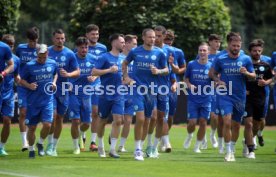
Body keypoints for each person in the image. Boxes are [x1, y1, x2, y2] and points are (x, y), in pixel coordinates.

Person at [209, 32, 256, 162]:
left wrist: (246, 72)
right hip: (224, 94)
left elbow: (254, 76)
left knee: (236, 125)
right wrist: (217, 81)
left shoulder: (246, 59)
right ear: (229, 45)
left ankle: (232, 147)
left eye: (238, 46)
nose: (236, 48)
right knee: (227, 121)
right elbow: (211, 73)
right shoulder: (220, 58)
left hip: (240, 96)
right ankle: (228, 152)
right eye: (234, 45)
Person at [122, 28, 168, 161]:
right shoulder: (135, 51)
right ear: (143, 37)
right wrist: (126, 77)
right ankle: (137, 150)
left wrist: (158, 71)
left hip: (152, 90)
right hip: (137, 89)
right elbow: (124, 63)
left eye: (154, 37)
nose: (152, 39)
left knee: (148, 120)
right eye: (149, 37)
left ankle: (142, 147)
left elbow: (166, 70)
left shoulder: (159, 53)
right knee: (141, 119)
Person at [45, 29, 80, 156]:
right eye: (57, 38)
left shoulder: (70, 54)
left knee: (60, 118)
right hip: (50, 88)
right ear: (53, 39)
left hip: (64, 89)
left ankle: (54, 146)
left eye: (62, 38)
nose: (60, 41)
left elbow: (78, 71)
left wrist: (69, 74)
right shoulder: (47, 52)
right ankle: (49, 145)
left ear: (65, 39)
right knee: (53, 116)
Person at [20, 44, 57, 158]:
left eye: (44, 57)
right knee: (32, 128)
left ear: (47, 54)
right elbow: (21, 80)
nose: (41, 59)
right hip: (33, 102)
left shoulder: (52, 63)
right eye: (39, 57)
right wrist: (29, 85)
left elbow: (55, 74)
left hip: (47, 100)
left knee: (47, 125)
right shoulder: (29, 66)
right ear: (36, 54)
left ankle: (40, 143)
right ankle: (31, 149)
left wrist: (54, 83)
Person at [92, 33, 125, 158]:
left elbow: (124, 75)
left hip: (119, 94)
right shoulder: (104, 57)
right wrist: (109, 70)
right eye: (121, 42)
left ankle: (112, 149)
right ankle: (100, 146)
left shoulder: (123, 59)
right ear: (114, 42)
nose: (123, 44)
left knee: (118, 120)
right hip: (105, 94)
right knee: (102, 121)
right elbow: (94, 71)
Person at [242, 39, 273, 159]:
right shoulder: (245, 65)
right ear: (250, 51)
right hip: (247, 98)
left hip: (260, 98)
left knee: (256, 125)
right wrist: (243, 90)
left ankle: (247, 140)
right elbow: (239, 80)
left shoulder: (265, 66)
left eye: (259, 50)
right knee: (248, 124)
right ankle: (250, 150)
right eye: (255, 51)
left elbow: (271, 78)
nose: (257, 52)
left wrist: (266, 82)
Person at [68, 37, 97, 154]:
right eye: (82, 47)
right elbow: (64, 73)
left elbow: (98, 72)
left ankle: (80, 133)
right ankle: (76, 146)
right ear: (77, 48)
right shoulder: (72, 58)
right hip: (73, 93)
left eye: (86, 47)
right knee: (75, 120)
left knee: (86, 123)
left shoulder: (93, 59)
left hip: (87, 94)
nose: (84, 49)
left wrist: (94, 77)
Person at [183, 42, 212, 153]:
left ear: (208, 52)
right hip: (193, 99)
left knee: (203, 122)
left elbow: (216, 79)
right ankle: (190, 135)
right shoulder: (191, 64)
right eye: (200, 50)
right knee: (192, 123)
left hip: (206, 98)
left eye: (204, 50)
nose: (202, 52)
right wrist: (190, 85)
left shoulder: (212, 66)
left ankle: (197, 146)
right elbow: (186, 79)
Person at [162, 29, 186, 152]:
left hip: (173, 85)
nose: (168, 42)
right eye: (166, 39)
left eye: (170, 40)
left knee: (170, 116)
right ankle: (165, 141)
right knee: (162, 115)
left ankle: (163, 135)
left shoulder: (177, 52)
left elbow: (182, 69)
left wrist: (174, 71)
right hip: (160, 85)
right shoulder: (159, 50)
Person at [16, 26, 39, 151]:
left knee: (33, 114)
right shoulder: (20, 48)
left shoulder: (41, 49)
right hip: (22, 85)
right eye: (31, 41)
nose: (33, 43)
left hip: (36, 86)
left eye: (35, 41)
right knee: (23, 112)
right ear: (27, 40)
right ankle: (24, 142)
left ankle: (32, 140)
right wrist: (17, 75)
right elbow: (16, 63)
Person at [85, 24, 107, 152]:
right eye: (93, 34)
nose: (95, 36)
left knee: (95, 113)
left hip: (97, 84)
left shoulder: (103, 48)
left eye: (97, 34)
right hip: (81, 86)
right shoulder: (81, 47)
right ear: (87, 35)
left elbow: (105, 65)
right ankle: (82, 136)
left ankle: (93, 142)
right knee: (84, 116)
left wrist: (95, 76)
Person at [117, 34, 138, 152]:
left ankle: (121, 145)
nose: (136, 46)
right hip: (118, 93)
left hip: (132, 93)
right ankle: (113, 135)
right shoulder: (118, 58)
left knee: (128, 120)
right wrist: (123, 80)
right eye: (134, 44)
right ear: (127, 43)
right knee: (118, 120)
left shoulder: (136, 60)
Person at [0, 36, 15, 156]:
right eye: (8, 44)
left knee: (7, 120)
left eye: (12, 44)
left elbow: (13, 67)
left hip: (8, 93)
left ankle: (1, 147)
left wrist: (3, 73)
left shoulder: (4, 49)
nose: (10, 46)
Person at [207, 34, 221, 149]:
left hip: (221, 89)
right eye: (215, 41)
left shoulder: (222, 55)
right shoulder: (203, 55)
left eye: (219, 42)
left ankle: (212, 133)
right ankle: (211, 134)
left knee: (218, 116)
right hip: (208, 89)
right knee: (212, 115)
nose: (217, 44)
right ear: (210, 42)